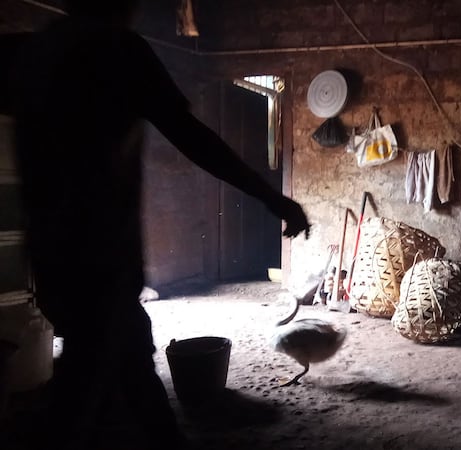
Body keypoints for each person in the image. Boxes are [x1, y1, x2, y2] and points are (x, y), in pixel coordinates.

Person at [4, 0, 311, 448]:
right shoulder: (116, 51)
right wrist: (271, 196)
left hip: (51, 257)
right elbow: (193, 138)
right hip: (102, 257)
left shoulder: (32, 52)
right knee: (81, 395)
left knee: (128, 369)